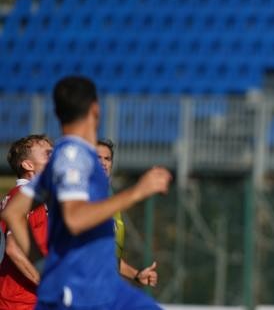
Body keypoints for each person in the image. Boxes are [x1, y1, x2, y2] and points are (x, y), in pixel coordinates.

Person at [1, 76, 171, 310]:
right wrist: (137, 192)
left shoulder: (66, 156)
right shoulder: (73, 156)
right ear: (95, 108)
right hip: (80, 290)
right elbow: (74, 218)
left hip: (102, 286)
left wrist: (44, 266)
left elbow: (13, 212)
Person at [96, 139, 159, 286]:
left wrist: (136, 274)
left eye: (107, 159)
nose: (103, 163)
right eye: (97, 158)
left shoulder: (110, 200)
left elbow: (110, 259)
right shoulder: (81, 198)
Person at [0, 135, 52, 309]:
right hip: (20, 302)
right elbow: (13, 248)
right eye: (48, 155)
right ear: (28, 165)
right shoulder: (24, 196)